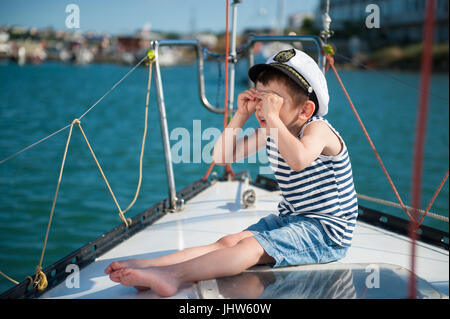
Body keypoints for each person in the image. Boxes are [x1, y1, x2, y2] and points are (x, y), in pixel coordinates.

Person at [104, 48, 358, 297]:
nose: (261, 108)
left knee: (250, 247)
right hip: (292, 219)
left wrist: (272, 118)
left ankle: (173, 276)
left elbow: (299, 159)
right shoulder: (272, 129)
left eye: (272, 102)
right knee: (227, 242)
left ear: (305, 111)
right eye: (259, 99)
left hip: (327, 231)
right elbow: (222, 157)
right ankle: (154, 266)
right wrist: (240, 115)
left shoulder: (318, 130)